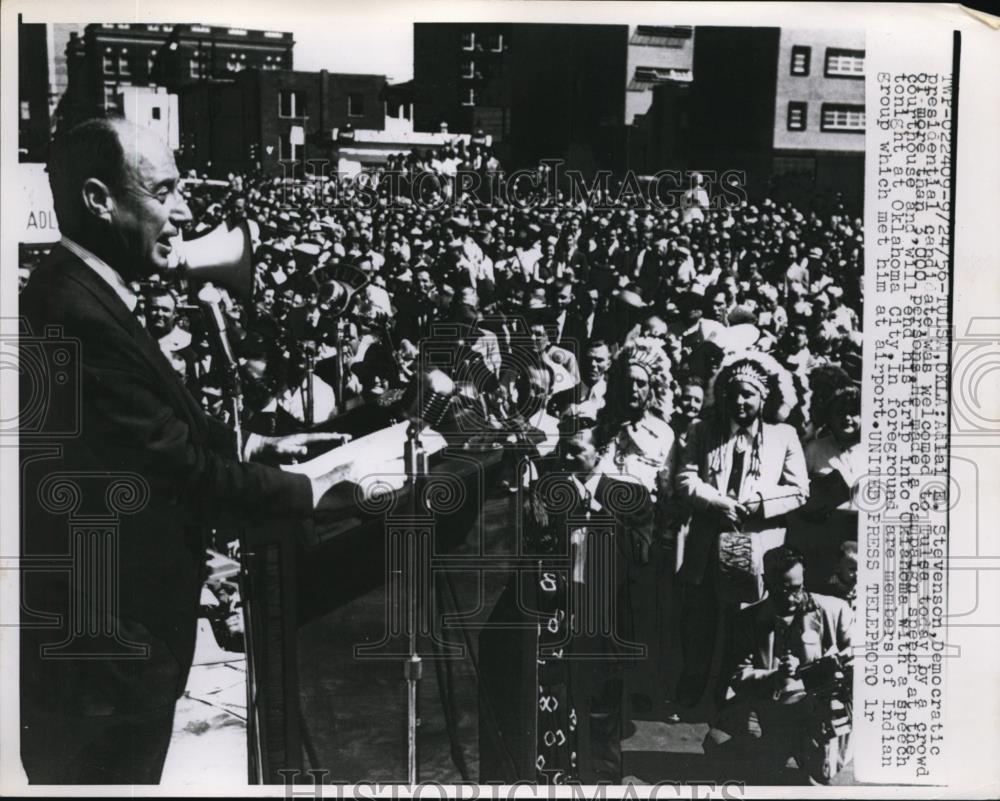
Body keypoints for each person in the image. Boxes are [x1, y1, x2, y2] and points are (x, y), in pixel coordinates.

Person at [19, 118, 346, 784]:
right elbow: (174, 465)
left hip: (120, 652)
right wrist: (318, 491)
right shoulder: (71, 309)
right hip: (103, 667)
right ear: (98, 200)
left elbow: (140, 437)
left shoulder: (86, 294)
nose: (185, 212)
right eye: (164, 190)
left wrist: (256, 443)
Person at [675, 352, 809, 709]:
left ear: (763, 397)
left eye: (748, 394)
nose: (740, 401)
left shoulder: (784, 436)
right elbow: (685, 477)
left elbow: (799, 489)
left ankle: (734, 696)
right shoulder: (702, 431)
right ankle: (691, 693)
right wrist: (716, 501)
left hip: (758, 542)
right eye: (733, 393)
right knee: (701, 620)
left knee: (746, 621)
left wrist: (759, 503)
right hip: (709, 538)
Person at [711, 546, 853, 785]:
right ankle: (771, 750)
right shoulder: (746, 621)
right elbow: (738, 675)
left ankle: (813, 753)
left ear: (804, 578)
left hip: (820, 710)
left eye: (796, 589)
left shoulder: (836, 611)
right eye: (781, 590)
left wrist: (818, 670)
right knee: (723, 747)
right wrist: (775, 676)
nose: (790, 598)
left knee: (822, 775)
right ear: (766, 581)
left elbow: (861, 663)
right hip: (771, 711)